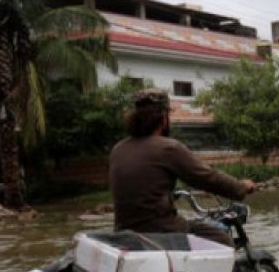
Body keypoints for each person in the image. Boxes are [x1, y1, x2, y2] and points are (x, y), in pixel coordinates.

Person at [109, 88, 256, 247]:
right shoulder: (168, 148)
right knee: (222, 239)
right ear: (164, 118)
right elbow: (207, 177)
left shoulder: (118, 149)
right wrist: (240, 187)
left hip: (124, 231)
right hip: (161, 230)